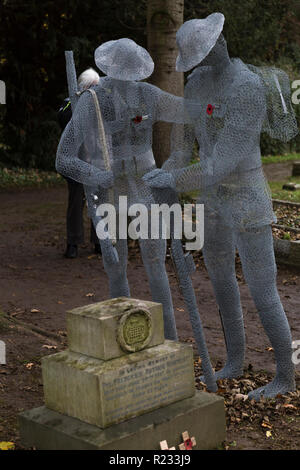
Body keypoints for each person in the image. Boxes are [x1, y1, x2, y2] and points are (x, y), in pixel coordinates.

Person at [144, 13, 298, 399]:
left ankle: (284, 375)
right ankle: (234, 358)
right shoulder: (196, 84)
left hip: (246, 196)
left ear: (219, 45)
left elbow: (221, 162)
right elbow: (184, 146)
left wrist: (176, 180)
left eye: (204, 54)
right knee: (220, 279)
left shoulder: (246, 87)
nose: (200, 63)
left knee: (263, 288)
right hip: (212, 200)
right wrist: (165, 172)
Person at [56, 38, 194, 340]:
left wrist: (175, 163)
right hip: (111, 189)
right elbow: (63, 157)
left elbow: (190, 112)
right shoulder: (93, 100)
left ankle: (169, 342)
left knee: (156, 265)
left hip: (147, 186)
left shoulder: (148, 94)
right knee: (116, 268)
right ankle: (125, 340)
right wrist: (94, 174)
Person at [57, 68, 101, 258]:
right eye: (91, 86)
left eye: (96, 86)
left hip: (96, 161)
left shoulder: (102, 103)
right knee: (76, 203)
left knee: (98, 203)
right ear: (83, 86)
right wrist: (78, 106)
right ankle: (73, 243)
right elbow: (62, 118)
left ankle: (100, 242)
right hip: (75, 163)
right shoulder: (69, 102)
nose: (94, 89)